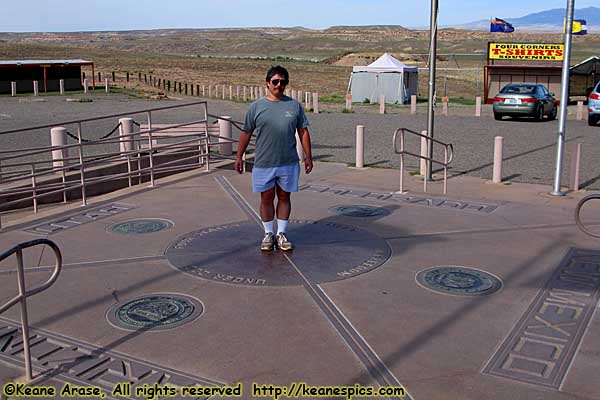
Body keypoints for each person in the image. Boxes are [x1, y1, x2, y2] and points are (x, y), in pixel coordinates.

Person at [234, 65, 313, 251]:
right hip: (264, 162)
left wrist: (309, 156)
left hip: (288, 161)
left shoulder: (294, 106)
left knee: (284, 196)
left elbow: (303, 131)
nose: (279, 85)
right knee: (267, 198)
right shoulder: (256, 107)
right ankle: (268, 233)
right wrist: (239, 156)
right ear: (267, 83)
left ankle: (281, 234)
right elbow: (246, 132)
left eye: (283, 82)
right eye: (275, 81)